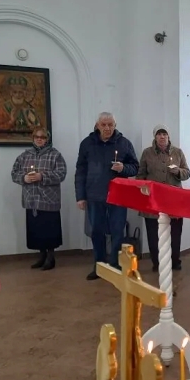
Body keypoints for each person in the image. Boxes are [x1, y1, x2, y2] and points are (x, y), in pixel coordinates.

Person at [75, 112, 139, 280]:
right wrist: (80, 196)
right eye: (104, 125)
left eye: (110, 125)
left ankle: (115, 266)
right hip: (94, 196)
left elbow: (135, 167)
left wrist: (123, 169)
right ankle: (99, 265)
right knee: (97, 232)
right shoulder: (87, 144)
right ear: (97, 125)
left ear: (115, 126)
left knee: (118, 231)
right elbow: (80, 171)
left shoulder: (124, 143)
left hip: (118, 196)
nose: (107, 128)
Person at [10, 127, 68, 270]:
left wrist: (42, 177)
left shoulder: (55, 155)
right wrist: (24, 178)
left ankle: (50, 257)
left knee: (49, 231)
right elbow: (14, 173)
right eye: (37, 137)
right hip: (32, 200)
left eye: (42, 137)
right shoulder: (24, 156)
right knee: (36, 232)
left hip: (49, 200)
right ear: (33, 138)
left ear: (47, 139)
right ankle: (41, 257)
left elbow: (61, 174)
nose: (39, 139)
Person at [136, 124, 190, 272]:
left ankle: (175, 261)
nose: (162, 136)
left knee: (174, 233)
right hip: (153, 200)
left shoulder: (178, 152)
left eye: (164, 134)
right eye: (159, 134)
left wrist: (178, 171)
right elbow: (140, 174)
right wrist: (143, 187)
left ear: (168, 136)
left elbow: (187, 173)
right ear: (155, 137)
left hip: (174, 200)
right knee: (154, 234)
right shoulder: (147, 153)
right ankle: (157, 262)